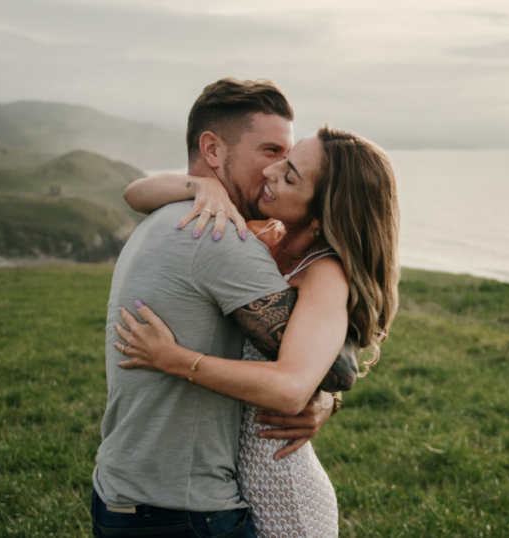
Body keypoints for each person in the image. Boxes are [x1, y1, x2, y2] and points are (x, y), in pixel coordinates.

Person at [91, 78, 361, 538]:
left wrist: (321, 401)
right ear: (213, 150)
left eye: (288, 159)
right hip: (185, 510)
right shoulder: (221, 236)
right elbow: (335, 366)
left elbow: (134, 191)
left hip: (121, 493)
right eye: (270, 151)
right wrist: (325, 396)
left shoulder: (165, 217)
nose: (276, 169)